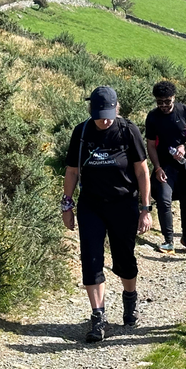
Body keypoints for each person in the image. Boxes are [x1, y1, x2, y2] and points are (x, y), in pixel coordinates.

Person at [62, 86, 152, 343]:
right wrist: (66, 205)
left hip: (124, 204)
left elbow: (142, 172)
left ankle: (130, 298)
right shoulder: (81, 132)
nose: (105, 119)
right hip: (91, 205)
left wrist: (145, 210)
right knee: (91, 258)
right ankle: (98, 317)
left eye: (109, 113)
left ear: (118, 107)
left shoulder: (128, 131)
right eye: (99, 114)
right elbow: (71, 172)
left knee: (124, 259)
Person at [146, 81, 186, 254]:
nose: (164, 105)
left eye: (167, 101)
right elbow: (150, 145)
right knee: (164, 200)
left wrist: (185, 146)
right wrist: (157, 167)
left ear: (174, 98)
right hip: (165, 165)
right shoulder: (153, 117)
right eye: (160, 102)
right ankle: (168, 241)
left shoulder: (185, 111)